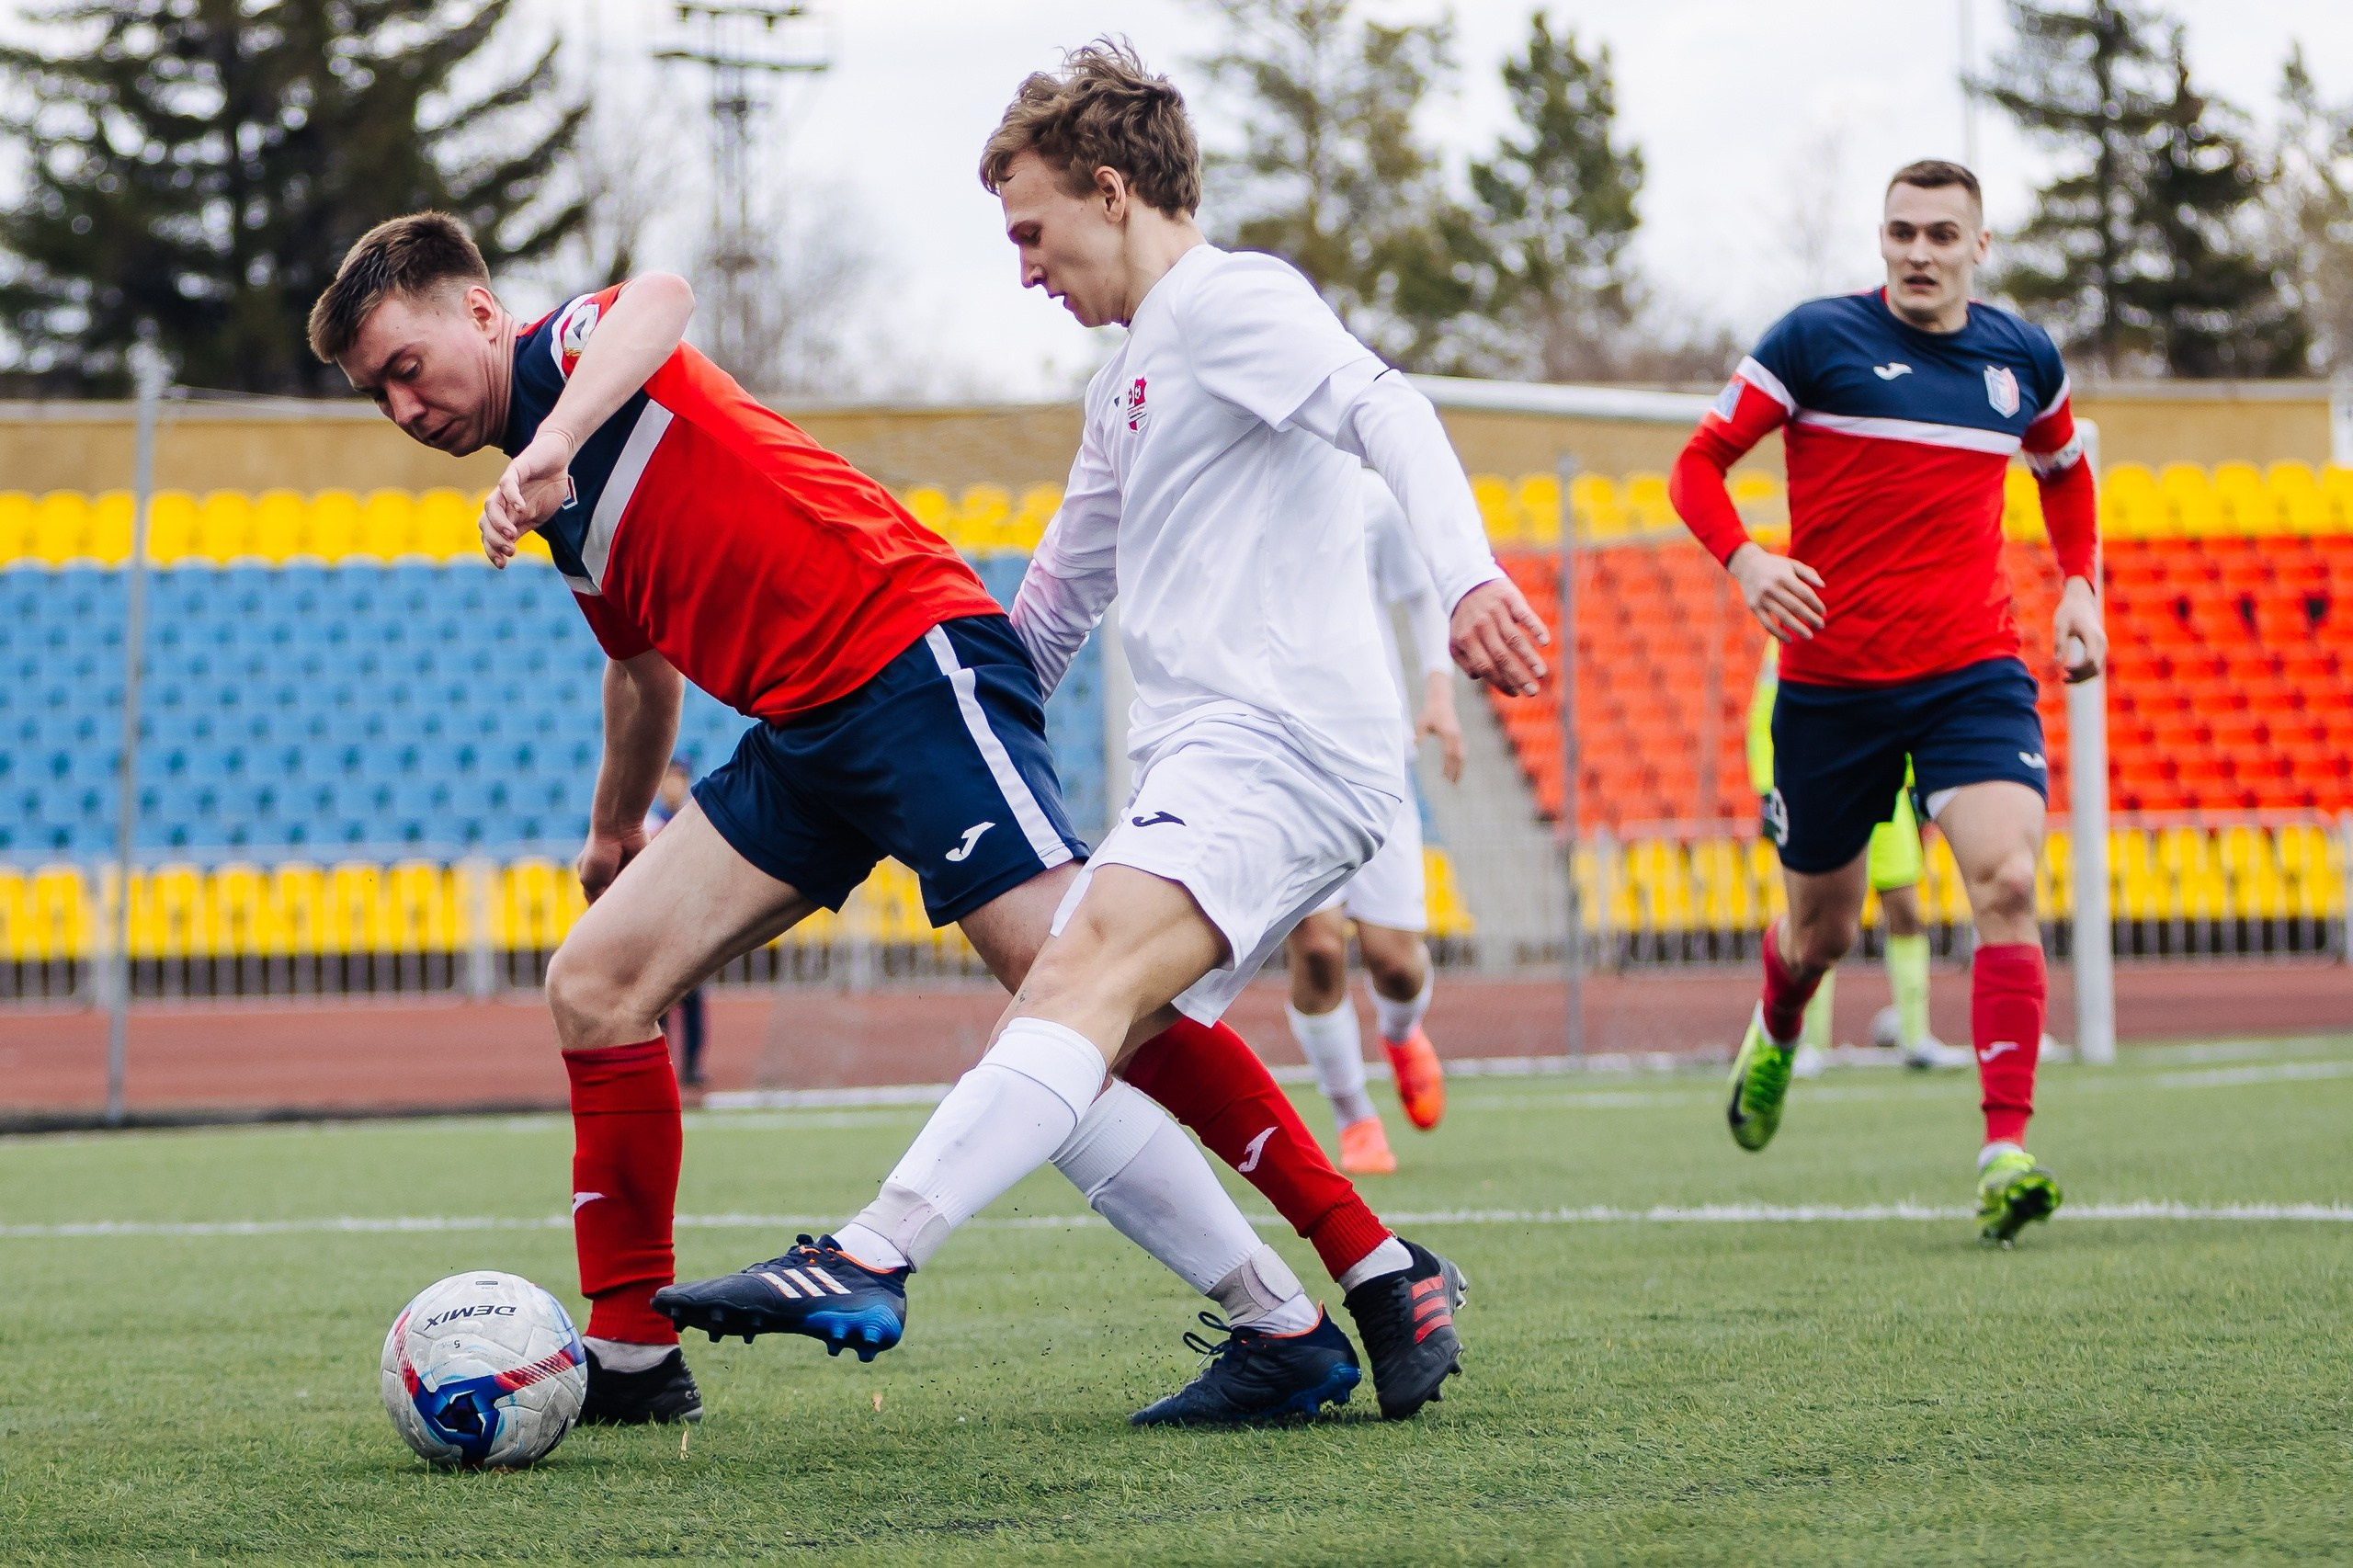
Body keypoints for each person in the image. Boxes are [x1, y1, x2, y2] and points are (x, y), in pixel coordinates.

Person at [307, 210, 1445, 1430]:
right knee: (594, 981)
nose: (405, 408)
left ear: (481, 314)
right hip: (805, 736)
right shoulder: (561, 508)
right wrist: (611, 828)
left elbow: (665, 296)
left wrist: (556, 443)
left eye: (406, 369)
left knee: (1083, 990)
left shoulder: (571, 357)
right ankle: (633, 1354)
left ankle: (1367, 1268)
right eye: (378, 396)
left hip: (909, 662)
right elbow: (640, 674)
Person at [658, 42, 1547, 1421]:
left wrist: (1473, 574)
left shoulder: (1230, 300)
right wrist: (940, 731)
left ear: (1115, 190)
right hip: (1220, 758)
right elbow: (1061, 595)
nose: (1024, 266)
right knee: (1078, 1041)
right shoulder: (1131, 374)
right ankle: (1334, 1305)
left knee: (1071, 995)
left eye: (1033, 229)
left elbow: (1390, 407)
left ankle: (871, 1250)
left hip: (1285, 743)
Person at [1668, 158, 2103, 1245]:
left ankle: (2005, 1145)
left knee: (2005, 878)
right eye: (1902, 231)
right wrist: (1745, 560)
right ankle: (1776, 1025)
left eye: (1941, 235)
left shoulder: (2020, 357)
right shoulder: (1812, 340)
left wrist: (2081, 584)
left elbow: (2063, 470)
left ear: (1978, 247)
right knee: (1824, 929)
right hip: (1831, 687)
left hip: (1971, 673)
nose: (1919, 251)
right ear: (1880, 239)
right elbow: (1698, 463)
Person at [1283, 470, 1462, 1175]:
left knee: (1392, 959)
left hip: (1375, 746)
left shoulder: (1367, 494)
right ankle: (1354, 1116)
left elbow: (1420, 596)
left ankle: (1401, 1028)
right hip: (1284, 756)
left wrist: (1439, 693)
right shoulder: (1234, 483)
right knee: (1319, 947)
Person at [1745, 643, 1969, 1074]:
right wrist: (1766, 787)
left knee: (1905, 909)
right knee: (1817, 920)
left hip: (1887, 791)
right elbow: (1764, 719)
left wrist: (1917, 782)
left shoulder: (1881, 621)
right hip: (1824, 789)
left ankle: (1915, 1036)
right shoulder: (1789, 636)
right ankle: (1811, 1045)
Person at [643, 757, 709, 1088]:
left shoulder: (695, 818)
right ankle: (662, 1065)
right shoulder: (650, 825)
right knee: (659, 1003)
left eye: (679, 779)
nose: (674, 785)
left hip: (690, 924)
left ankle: (693, 1065)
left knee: (694, 1000)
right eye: (669, 779)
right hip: (660, 926)